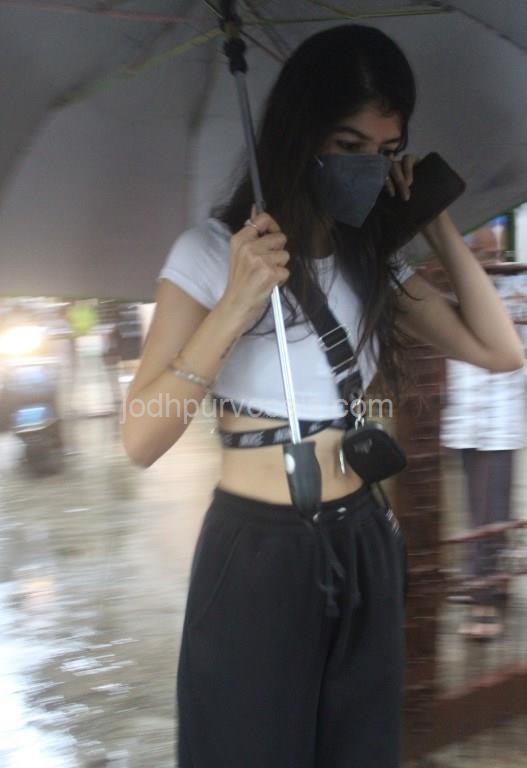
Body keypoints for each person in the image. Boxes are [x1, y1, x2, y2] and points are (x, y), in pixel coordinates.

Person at [122, 24, 524, 768]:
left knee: (360, 750)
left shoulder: (371, 260)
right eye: (347, 145)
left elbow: (500, 351)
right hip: (259, 554)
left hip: (364, 537)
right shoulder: (210, 254)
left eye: (385, 150)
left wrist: (430, 218)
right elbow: (141, 437)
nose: (367, 166)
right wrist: (234, 306)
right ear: (299, 133)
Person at [441, 227, 527, 639]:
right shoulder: (455, 293)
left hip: (498, 421)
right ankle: (492, 583)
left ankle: (485, 602)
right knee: (479, 507)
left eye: (492, 255)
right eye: (480, 253)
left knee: (491, 509)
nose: (488, 262)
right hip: (466, 420)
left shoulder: (514, 292)